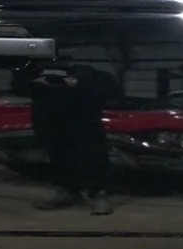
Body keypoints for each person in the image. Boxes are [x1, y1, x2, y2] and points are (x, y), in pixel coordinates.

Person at [12, 59, 117, 214]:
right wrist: (35, 83)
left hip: (82, 120)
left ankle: (99, 193)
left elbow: (109, 89)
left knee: (93, 156)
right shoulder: (34, 72)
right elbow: (19, 88)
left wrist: (78, 84)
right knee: (58, 156)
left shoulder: (87, 73)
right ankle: (67, 190)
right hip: (50, 120)